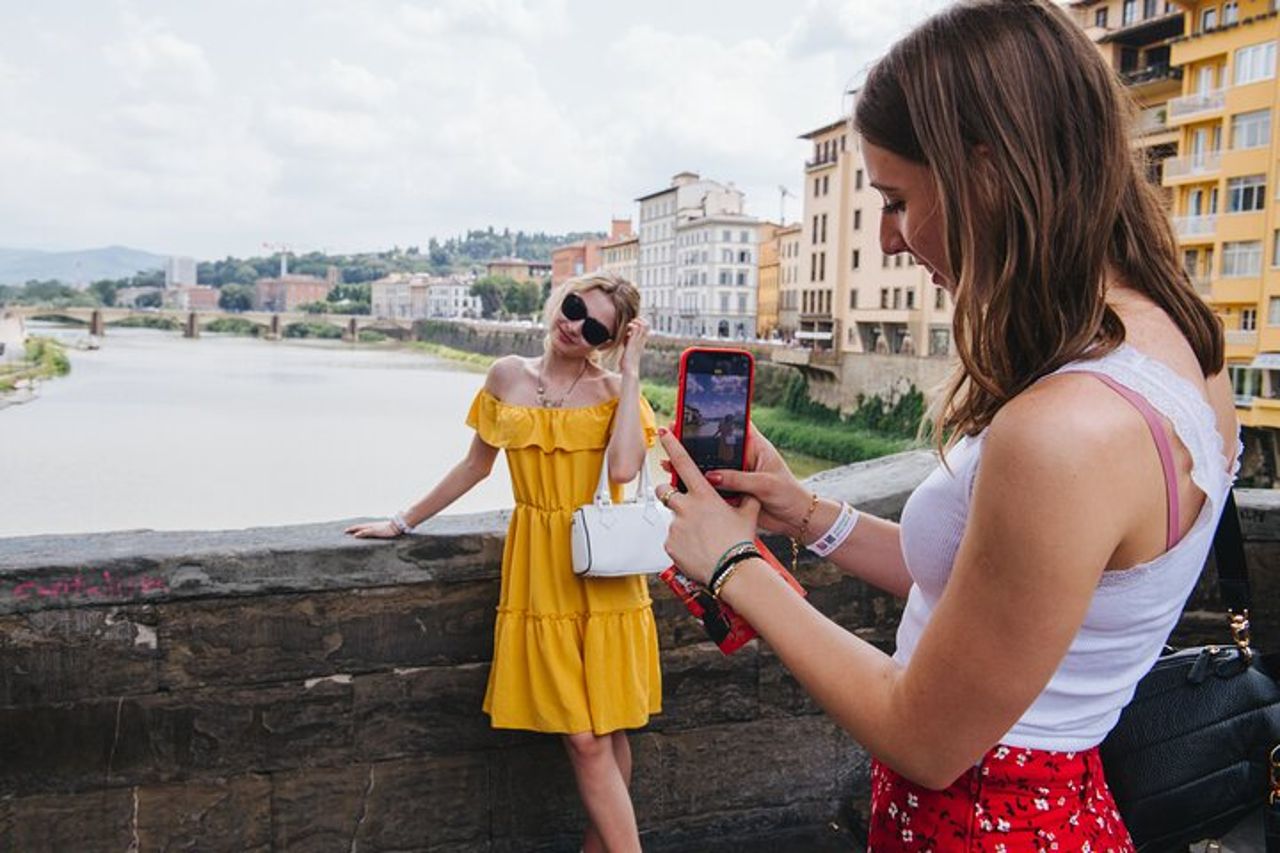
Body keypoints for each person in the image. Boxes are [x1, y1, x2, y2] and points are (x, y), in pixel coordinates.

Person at [654, 1, 1239, 849]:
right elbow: (998, 594)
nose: (890, 240)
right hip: (1049, 808)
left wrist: (733, 564)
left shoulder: (1065, 431)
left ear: (986, 171)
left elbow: (926, 737)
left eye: (895, 199)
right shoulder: (1181, 350)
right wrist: (807, 514)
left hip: (983, 817)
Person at [347, 273, 659, 853]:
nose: (574, 327)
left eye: (595, 327)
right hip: (541, 567)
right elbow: (474, 467)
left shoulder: (615, 387)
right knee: (588, 737)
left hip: (604, 567)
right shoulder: (507, 376)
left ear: (607, 341)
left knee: (607, 732)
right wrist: (403, 520)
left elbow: (622, 472)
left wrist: (632, 369)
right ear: (557, 299)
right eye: (572, 308)